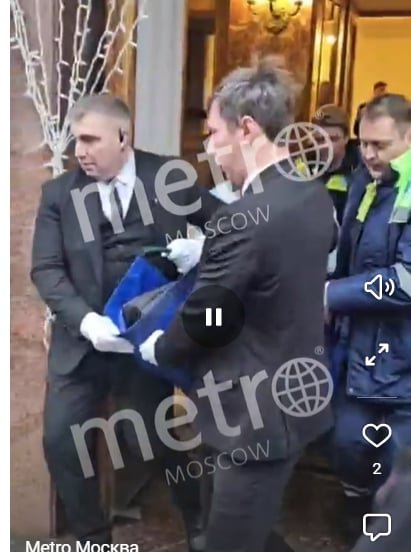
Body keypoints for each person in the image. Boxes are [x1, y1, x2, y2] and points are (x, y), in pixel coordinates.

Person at [139, 57, 336, 552]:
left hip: (252, 420)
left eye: (213, 133)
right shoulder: (311, 194)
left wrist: (161, 346)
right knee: (253, 533)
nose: (209, 148)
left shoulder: (246, 215)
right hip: (294, 401)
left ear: (246, 129)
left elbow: (208, 318)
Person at [30, 93, 222, 549]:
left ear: (123, 135)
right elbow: (46, 269)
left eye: (90, 140)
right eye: (76, 141)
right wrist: (87, 322)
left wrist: (202, 248)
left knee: (153, 440)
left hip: (144, 341)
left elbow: (233, 226)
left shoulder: (169, 176)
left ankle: (199, 523)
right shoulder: (59, 195)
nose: (80, 151)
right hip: (82, 344)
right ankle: (94, 537)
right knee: (60, 441)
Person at [325, 94, 411, 543]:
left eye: (381, 145)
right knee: (348, 443)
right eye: (365, 144)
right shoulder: (365, 180)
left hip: (403, 356)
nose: (370, 154)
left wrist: (332, 295)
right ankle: (358, 517)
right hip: (357, 346)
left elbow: (406, 281)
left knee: (395, 463)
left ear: (409, 138)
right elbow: (348, 255)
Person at [311, 104, 361, 225]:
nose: (325, 146)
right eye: (319, 140)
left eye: (333, 139)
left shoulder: (361, 170)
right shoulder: (302, 166)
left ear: (346, 138)